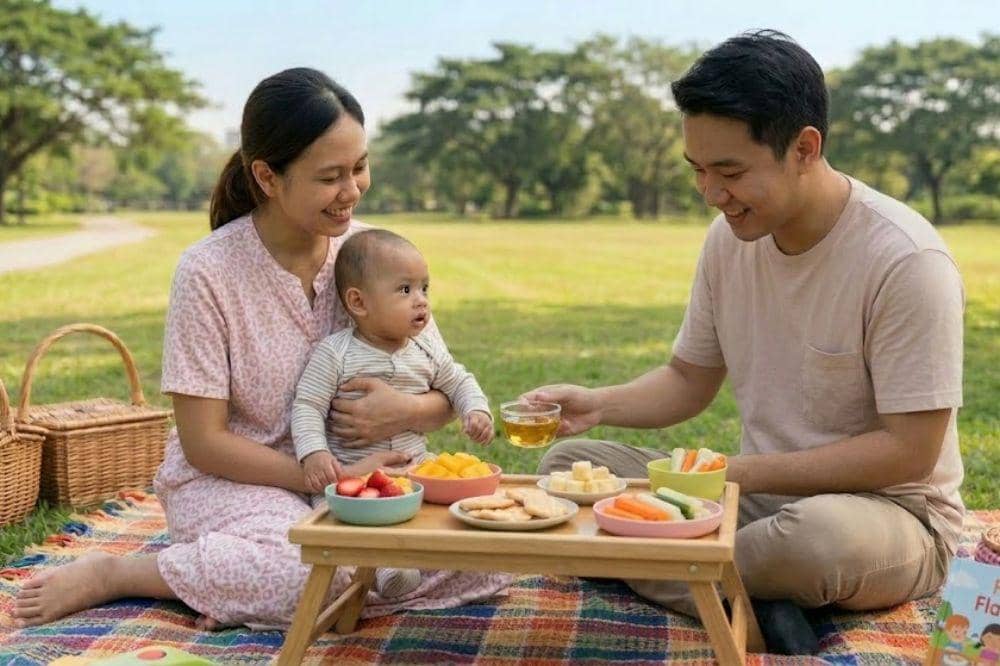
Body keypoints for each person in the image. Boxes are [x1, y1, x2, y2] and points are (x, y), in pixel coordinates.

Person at [12, 67, 511, 630]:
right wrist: (322, 480)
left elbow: (442, 379)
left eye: (360, 167)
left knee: (483, 555)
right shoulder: (208, 271)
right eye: (330, 177)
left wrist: (410, 411)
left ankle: (233, 583)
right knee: (321, 574)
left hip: (361, 482)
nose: (352, 191)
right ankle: (124, 574)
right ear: (268, 177)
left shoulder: (372, 253)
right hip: (238, 484)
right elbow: (204, 443)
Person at [528, 30, 964, 655]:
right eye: (699, 171)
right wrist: (598, 404)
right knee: (564, 474)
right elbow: (688, 379)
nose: (711, 193)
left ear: (805, 148)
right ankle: (745, 592)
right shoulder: (729, 240)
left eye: (729, 172)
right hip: (755, 501)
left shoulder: (906, 260)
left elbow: (910, 452)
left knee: (812, 542)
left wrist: (730, 473)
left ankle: (677, 572)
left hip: (889, 521)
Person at [291, 228, 494, 596]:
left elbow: (458, 380)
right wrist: (314, 452)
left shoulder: (425, 351)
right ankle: (387, 570)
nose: (421, 302)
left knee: (448, 508)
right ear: (359, 302)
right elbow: (307, 404)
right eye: (405, 290)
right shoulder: (336, 353)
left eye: (424, 288)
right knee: (340, 515)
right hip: (354, 473)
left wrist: (476, 410)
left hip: (416, 469)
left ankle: (423, 558)